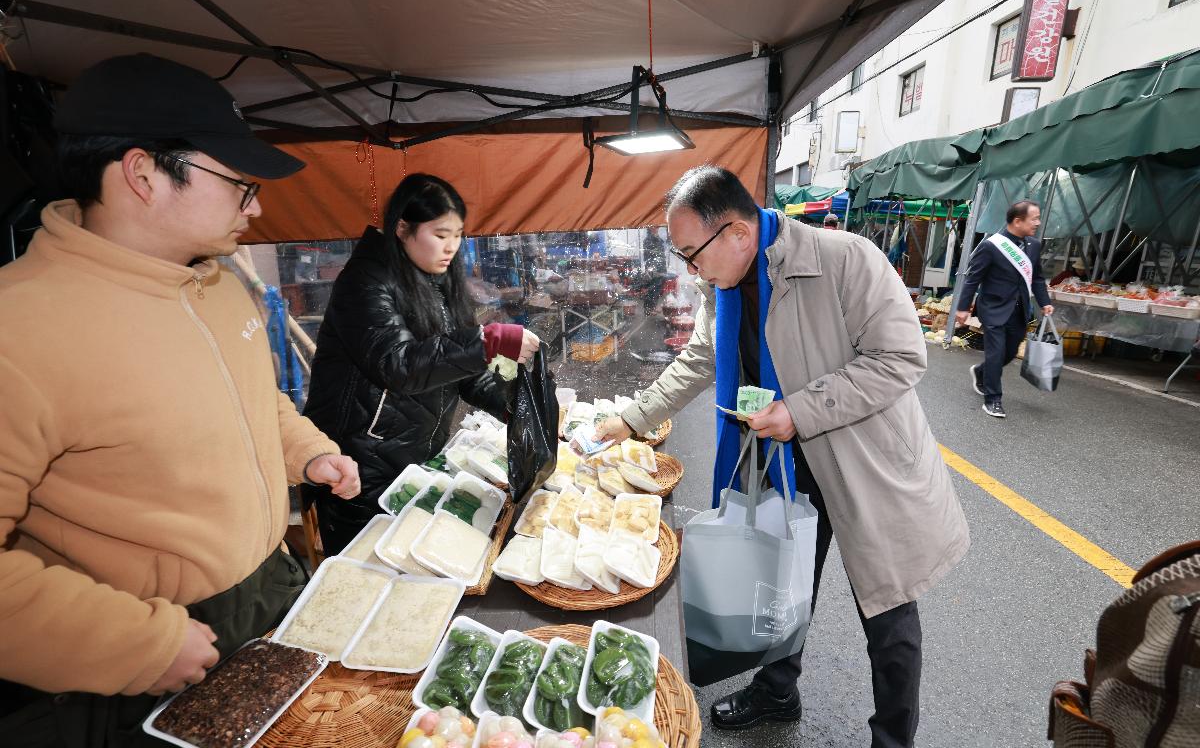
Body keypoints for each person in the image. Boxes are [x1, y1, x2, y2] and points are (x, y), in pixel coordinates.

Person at [0, 54, 361, 746]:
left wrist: (307, 452)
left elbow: (255, 400)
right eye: (240, 185)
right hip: (147, 648)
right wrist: (135, 644)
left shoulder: (219, 285)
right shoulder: (19, 328)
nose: (256, 207)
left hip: (271, 591)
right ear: (143, 175)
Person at [596, 165, 968, 748]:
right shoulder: (722, 287)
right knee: (783, 583)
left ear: (737, 233)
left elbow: (899, 358)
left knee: (888, 613)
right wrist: (633, 418)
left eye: (692, 254)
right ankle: (777, 688)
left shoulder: (846, 260)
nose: (691, 269)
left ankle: (894, 739)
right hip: (784, 462)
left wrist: (798, 410)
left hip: (863, 463)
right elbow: (701, 359)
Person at [303, 174, 539, 554]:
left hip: (417, 455)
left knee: (415, 560)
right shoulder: (364, 281)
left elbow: (462, 371)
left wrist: (515, 407)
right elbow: (399, 365)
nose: (451, 247)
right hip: (362, 466)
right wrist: (487, 343)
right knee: (368, 569)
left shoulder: (436, 281)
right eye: (440, 234)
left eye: (458, 235)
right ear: (402, 228)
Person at [954, 200, 1054, 418]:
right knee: (996, 353)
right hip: (993, 308)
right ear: (1017, 221)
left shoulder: (1034, 246)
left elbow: (1037, 278)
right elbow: (973, 279)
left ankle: (981, 371)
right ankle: (993, 400)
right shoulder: (991, 246)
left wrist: (1044, 302)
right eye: (1034, 218)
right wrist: (963, 308)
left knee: (1009, 353)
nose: (1038, 223)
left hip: (1020, 310)